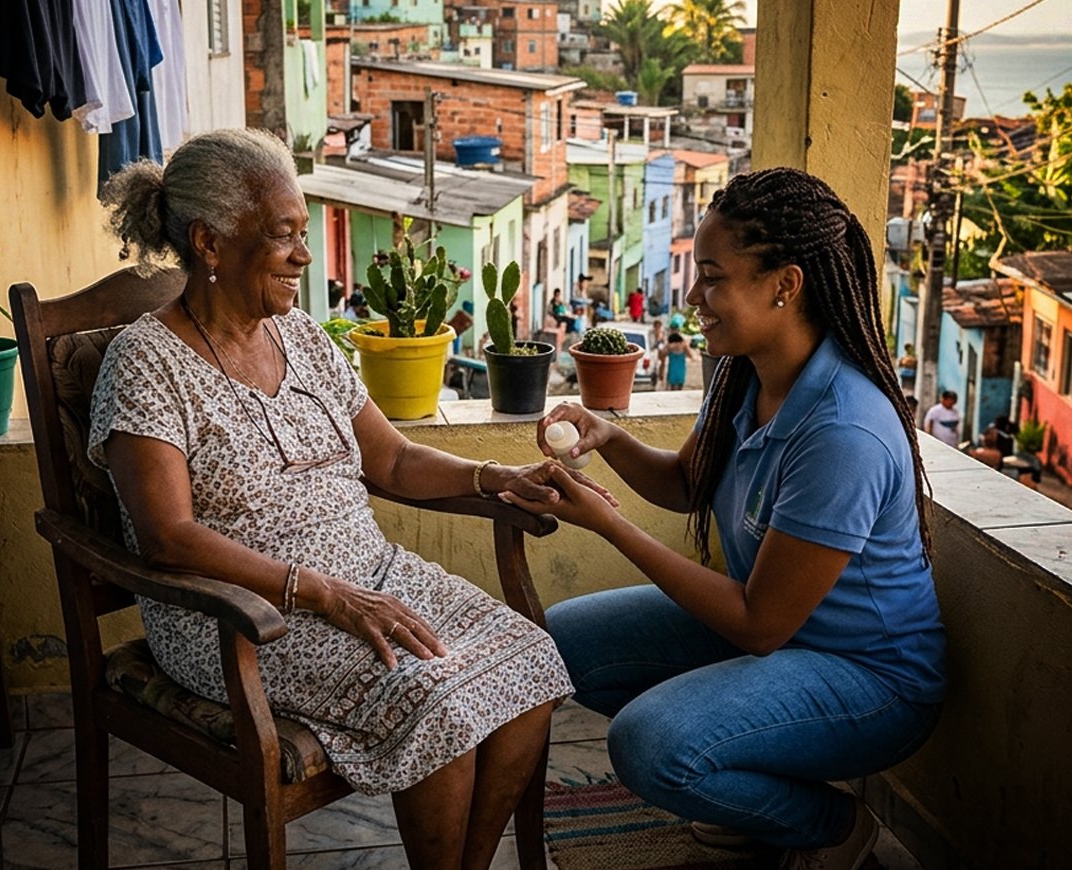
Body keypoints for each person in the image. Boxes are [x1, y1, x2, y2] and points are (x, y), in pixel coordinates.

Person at [92, 128, 587, 869]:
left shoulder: (301, 336)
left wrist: (494, 477)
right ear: (209, 242)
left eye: (303, 233)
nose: (305, 255)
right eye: (283, 235)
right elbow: (169, 536)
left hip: (371, 578)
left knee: (530, 661)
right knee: (438, 701)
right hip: (239, 615)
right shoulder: (145, 361)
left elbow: (392, 457)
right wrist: (326, 594)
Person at [506, 167, 944, 870]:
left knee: (650, 744)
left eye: (712, 278)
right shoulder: (747, 373)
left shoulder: (844, 431)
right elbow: (688, 483)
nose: (691, 297)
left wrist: (608, 523)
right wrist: (607, 435)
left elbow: (758, 622)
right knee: (561, 642)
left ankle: (830, 826)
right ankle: (750, 789)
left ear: (784, 285)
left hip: (868, 682)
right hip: (778, 644)